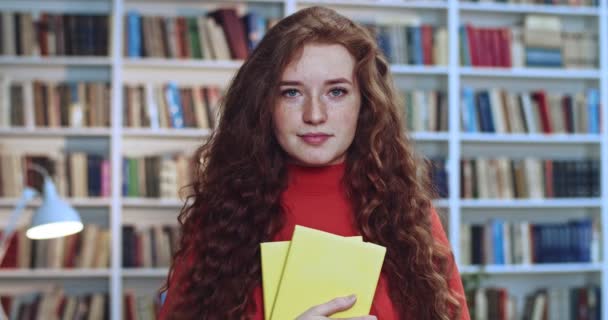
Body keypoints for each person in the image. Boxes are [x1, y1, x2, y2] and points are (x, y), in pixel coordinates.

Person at [158, 6, 470, 320]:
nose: (315, 115)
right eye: (292, 93)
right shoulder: (222, 214)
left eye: (336, 92)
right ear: (264, 105)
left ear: (365, 104)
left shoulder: (409, 215)